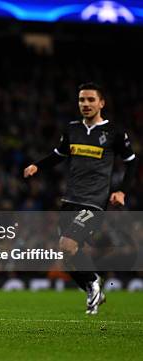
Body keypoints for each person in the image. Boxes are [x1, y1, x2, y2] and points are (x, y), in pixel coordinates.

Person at [24, 82, 137, 315]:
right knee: (65, 253)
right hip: (70, 199)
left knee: (67, 244)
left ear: (101, 103)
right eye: (81, 100)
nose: (85, 104)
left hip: (94, 201)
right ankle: (93, 287)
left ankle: (94, 281)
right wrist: (37, 166)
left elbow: (131, 162)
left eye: (90, 100)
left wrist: (122, 190)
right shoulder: (72, 130)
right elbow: (58, 155)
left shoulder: (114, 133)